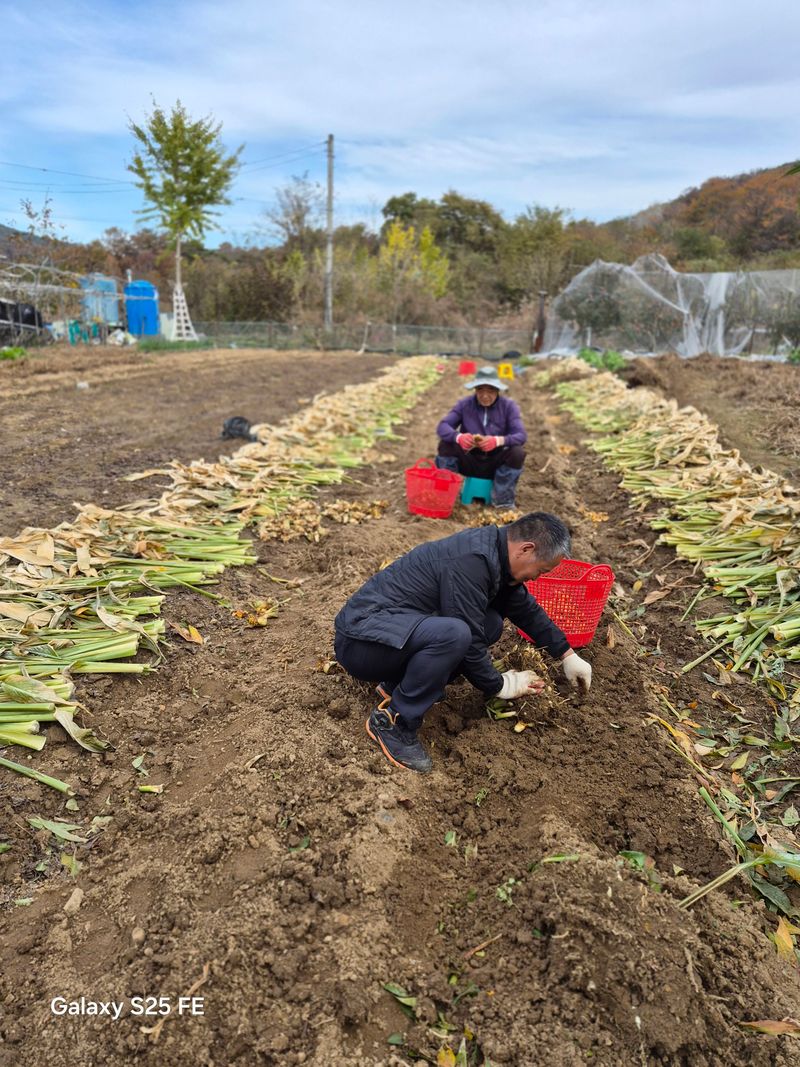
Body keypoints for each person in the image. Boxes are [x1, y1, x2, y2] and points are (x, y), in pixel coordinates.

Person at [334, 512, 593, 774]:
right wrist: (500, 684)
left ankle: (397, 686)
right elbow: (467, 637)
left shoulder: (497, 557)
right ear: (526, 549)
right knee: (455, 634)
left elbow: (525, 610)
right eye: (541, 570)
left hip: (389, 635)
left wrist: (567, 654)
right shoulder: (472, 560)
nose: (537, 578)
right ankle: (395, 722)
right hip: (360, 643)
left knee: (489, 622)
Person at [435, 365, 527, 509]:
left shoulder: (508, 406)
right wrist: (459, 437)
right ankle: (447, 493)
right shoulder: (465, 405)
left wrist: (497, 441)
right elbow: (443, 426)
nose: (485, 395)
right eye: (480, 390)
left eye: (490, 390)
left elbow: (521, 435)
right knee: (446, 444)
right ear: (475, 390)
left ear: (497, 390)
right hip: (469, 459)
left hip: (495, 462)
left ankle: (503, 501)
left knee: (517, 452)